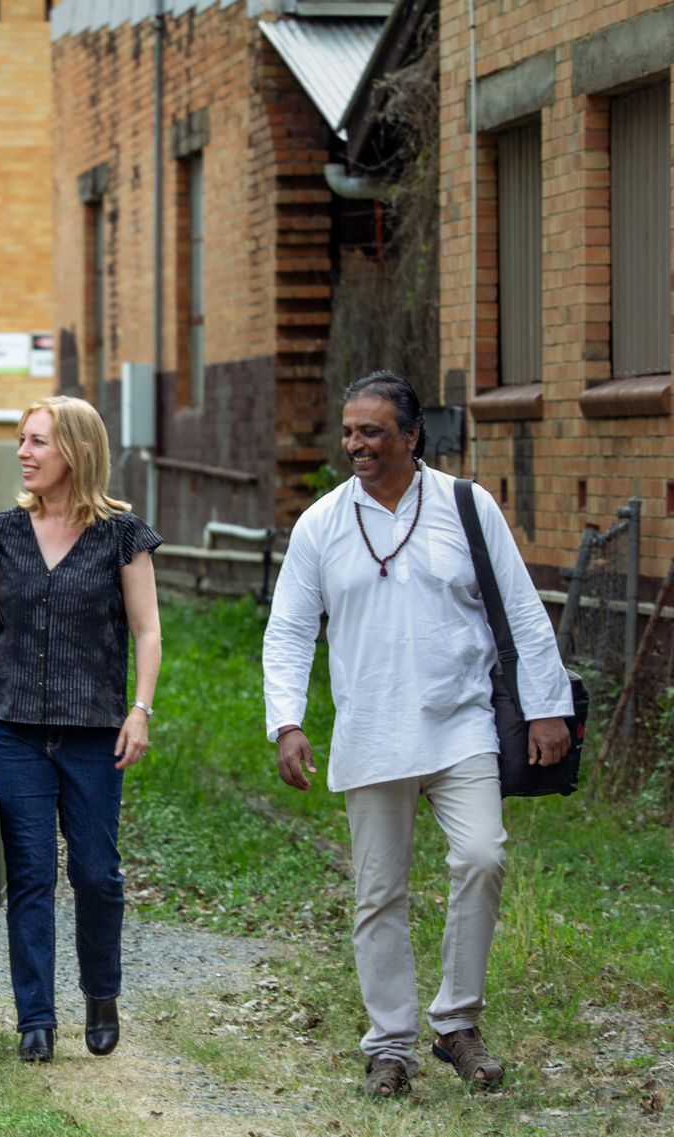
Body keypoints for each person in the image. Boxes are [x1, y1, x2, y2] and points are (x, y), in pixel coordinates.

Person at [262, 370, 573, 1098]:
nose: (355, 444)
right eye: (349, 431)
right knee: (379, 893)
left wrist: (547, 706)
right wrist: (287, 721)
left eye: (371, 431)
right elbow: (290, 630)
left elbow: (520, 610)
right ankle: (390, 1046)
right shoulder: (321, 523)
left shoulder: (467, 505)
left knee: (482, 855)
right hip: (371, 730)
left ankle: (457, 1023)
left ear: (410, 435)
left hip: (462, 723)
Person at [0, 394, 163, 1064]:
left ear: (76, 451)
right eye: (23, 439)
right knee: (31, 873)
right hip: (12, 727)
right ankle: (36, 1019)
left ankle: (101, 994)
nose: (23, 452)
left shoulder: (122, 536)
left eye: (37, 441)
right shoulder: (1, 533)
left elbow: (147, 630)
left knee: (98, 874)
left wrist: (141, 709)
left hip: (94, 731)